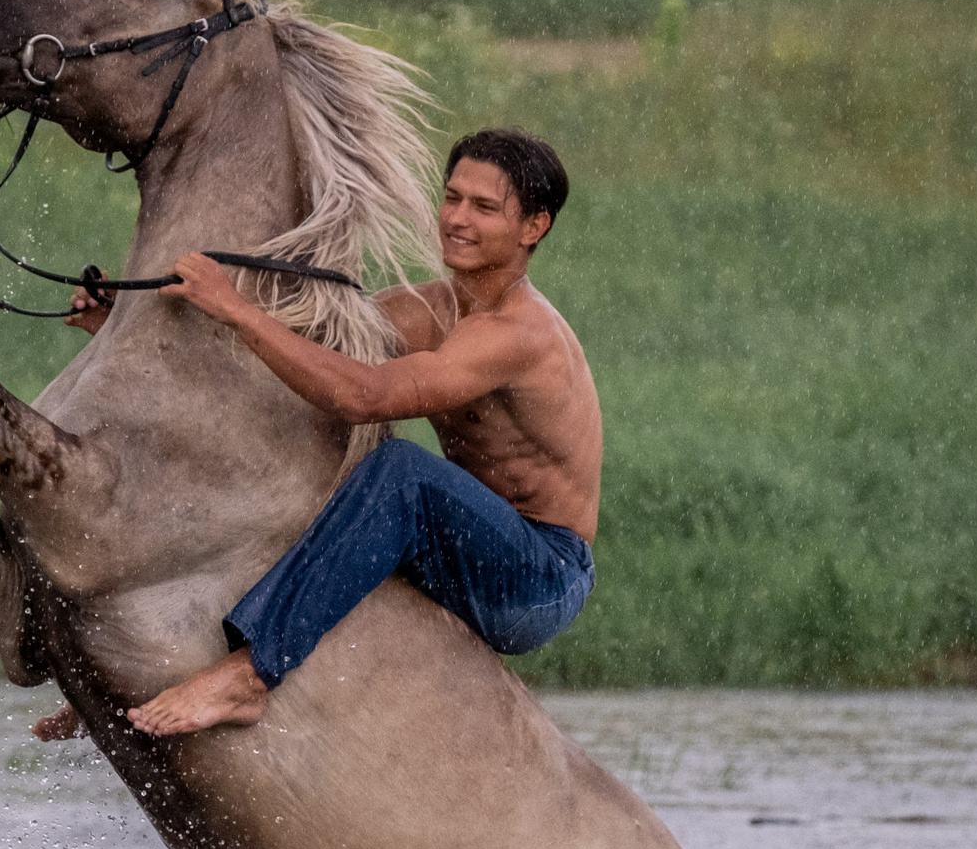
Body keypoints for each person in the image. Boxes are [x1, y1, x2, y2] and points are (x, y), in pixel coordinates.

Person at [37, 128, 600, 741]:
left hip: (537, 577)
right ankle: (153, 668)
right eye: (453, 197)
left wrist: (238, 308)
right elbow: (294, 372)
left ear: (533, 228)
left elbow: (364, 396)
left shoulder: (517, 334)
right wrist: (116, 322)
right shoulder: (430, 309)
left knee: (398, 474)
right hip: (463, 546)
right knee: (302, 464)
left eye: (484, 208)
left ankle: (249, 676)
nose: (457, 219)